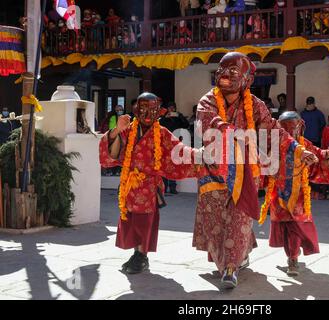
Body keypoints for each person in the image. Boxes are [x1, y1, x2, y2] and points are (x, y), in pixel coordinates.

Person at [193, 52, 317, 288]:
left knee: (239, 218)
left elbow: (275, 132)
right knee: (217, 221)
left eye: (233, 71)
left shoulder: (255, 105)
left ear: (247, 81)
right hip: (213, 171)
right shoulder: (208, 100)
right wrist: (228, 129)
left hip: (244, 172)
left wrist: (299, 150)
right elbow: (207, 121)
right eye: (222, 69)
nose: (225, 75)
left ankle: (230, 268)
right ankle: (236, 256)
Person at [98, 92, 207, 274]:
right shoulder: (127, 130)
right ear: (136, 110)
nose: (148, 114)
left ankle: (141, 256)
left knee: (144, 221)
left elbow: (179, 150)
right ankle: (137, 254)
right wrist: (117, 129)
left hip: (149, 187)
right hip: (129, 185)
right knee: (130, 220)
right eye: (143, 109)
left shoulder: (162, 133)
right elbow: (112, 154)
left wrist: (200, 155)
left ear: (159, 113)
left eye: (153, 110)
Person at [269, 111, 329, 276]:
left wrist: (328, 153)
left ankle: (293, 258)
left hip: (299, 194)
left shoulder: (303, 144)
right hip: (279, 193)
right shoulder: (275, 145)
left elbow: (318, 153)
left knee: (295, 226)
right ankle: (291, 257)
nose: (293, 130)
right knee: (286, 227)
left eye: (294, 126)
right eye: (288, 127)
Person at [159, 101, 190, 194]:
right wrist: (165, 117)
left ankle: (173, 188)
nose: (172, 109)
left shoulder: (178, 118)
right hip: (164, 144)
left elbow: (186, 125)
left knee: (174, 166)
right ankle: (163, 187)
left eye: (173, 107)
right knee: (164, 165)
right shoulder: (163, 118)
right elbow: (158, 125)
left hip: (175, 144)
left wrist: (180, 117)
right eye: (170, 107)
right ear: (167, 109)